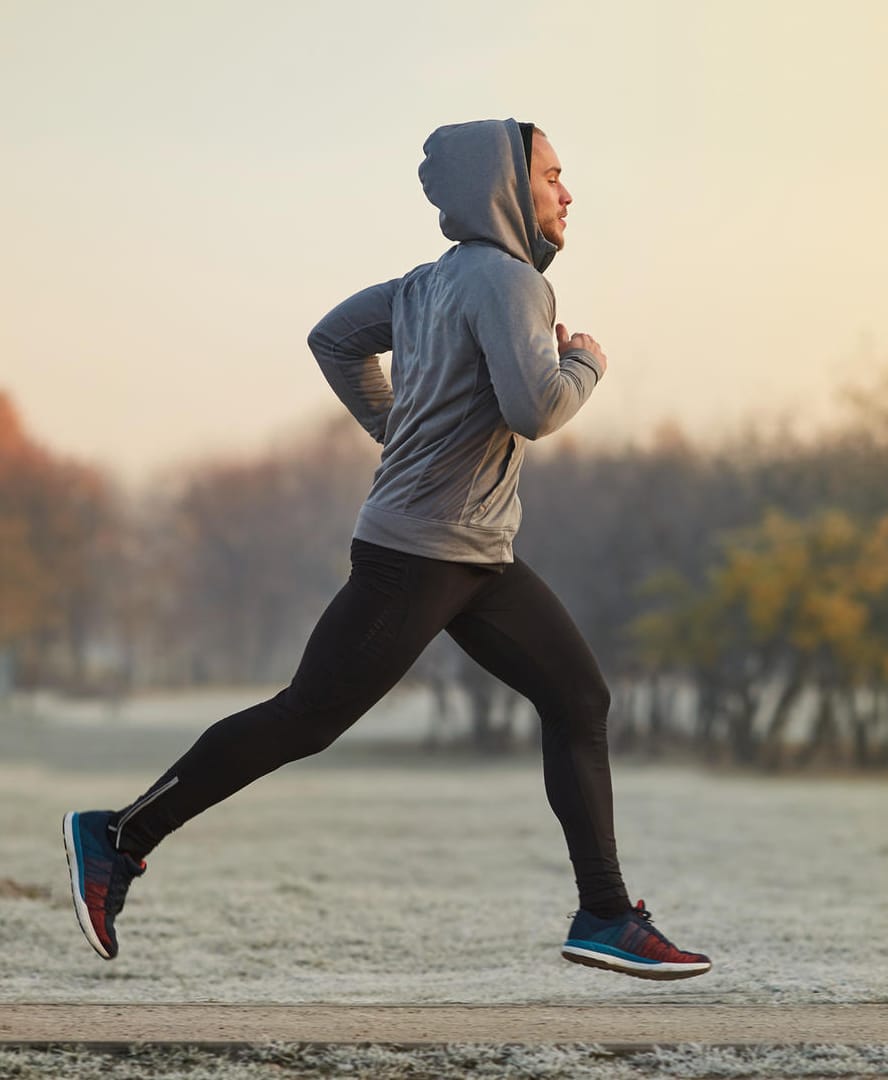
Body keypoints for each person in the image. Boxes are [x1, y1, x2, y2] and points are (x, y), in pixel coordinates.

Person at [61, 118, 711, 981]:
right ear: (508, 187)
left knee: (578, 698)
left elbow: (333, 337)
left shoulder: (429, 283)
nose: (567, 192)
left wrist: (393, 426)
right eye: (553, 174)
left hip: (477, 555)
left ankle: (603, 914)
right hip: (421, 554)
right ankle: (117, 837)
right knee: (307, 716)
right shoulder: (513, 285)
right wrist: (586, 363)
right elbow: (536, 409)